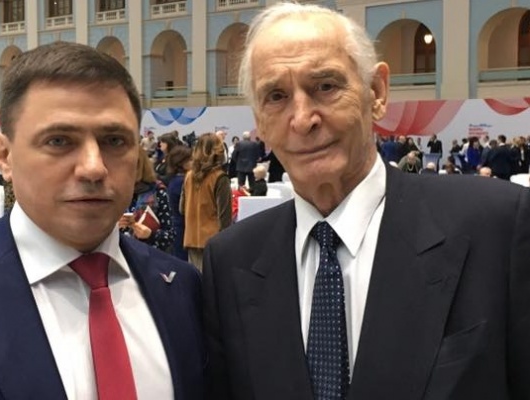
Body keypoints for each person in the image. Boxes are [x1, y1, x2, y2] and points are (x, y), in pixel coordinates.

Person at [202, 3, 530, 400]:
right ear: (259, 119)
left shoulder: (497, 225)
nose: (302, 119)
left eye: (325, 86)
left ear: (376, 92)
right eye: (276, 96)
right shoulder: (231, 261)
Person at [0, 41, 204, 400]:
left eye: (115, 140)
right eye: (59, 140)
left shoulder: (183, 288)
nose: (93, 167)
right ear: (4, 156)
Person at [180, 133, 232, 271]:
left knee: (196, 280)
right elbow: (225, 217)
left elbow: (182, 209)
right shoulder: (220, 178)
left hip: (191, 239)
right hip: (214, 242)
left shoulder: (189, 176)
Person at [118, 148, 175, 253]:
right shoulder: (117, 192)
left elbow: (170, 235)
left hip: (150, 255)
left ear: (141, 167)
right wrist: (115, 227)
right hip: (121, 254)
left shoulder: (158, 192)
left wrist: (150, 234)